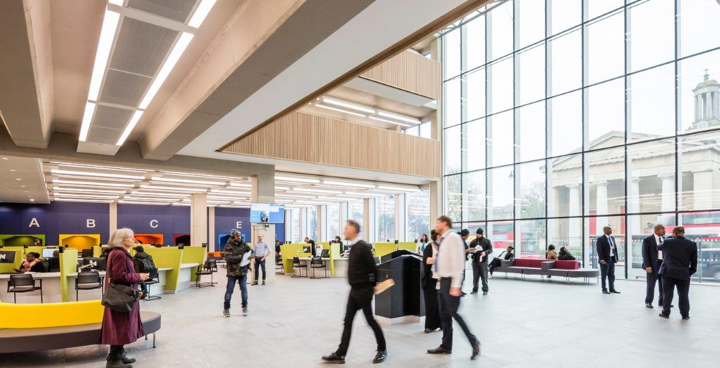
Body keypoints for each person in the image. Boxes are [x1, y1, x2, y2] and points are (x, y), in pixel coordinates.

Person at [322, 220, 387, 364]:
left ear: (353, 231)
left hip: (364, 291)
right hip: (354, 291)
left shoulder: (363, 246)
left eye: (346, 229)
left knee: (370, 320)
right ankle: (340, 354)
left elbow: (373, 267)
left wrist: (374, 285)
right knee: (348, 322)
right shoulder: (353, 247)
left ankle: (382, 349)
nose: (344, 231)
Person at [427, 216, 480, 360]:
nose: (436, 224)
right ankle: (446, 345)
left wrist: (456, 285)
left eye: (438, 222)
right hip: (443, 281)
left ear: (444, 223)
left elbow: (458, 262)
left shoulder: (453, 238)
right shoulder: (443, 240)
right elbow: (442, 261)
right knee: (444, 315)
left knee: (454, 314)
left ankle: (474, 342)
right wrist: (439, 280)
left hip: (451, 282)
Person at [100, 228, 149, 368]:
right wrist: (139, 276)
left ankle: (118, 354)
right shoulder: (120, 254)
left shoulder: (117, 253)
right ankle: (114, 361)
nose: (134, 239)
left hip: (120, 295)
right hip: (122, 297)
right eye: (131, 237)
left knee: (120, 326)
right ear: (121, 240)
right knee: (120, 325)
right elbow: (120, 276)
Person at [658, 227, 697, 320]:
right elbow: (694, 261)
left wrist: (669, 238)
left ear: (674, 233)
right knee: (683, 295)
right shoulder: (692, 244)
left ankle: (666, 313)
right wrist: (690, 272)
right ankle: (685, 314)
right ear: (683, 233)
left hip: (668, 272)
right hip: (683, 273)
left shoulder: (668, 242)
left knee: (667, 294)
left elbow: (659, 247)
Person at [224, 229, 254, 317]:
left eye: (240, 235)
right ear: (233, 236)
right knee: (229, 291)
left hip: (243, 272)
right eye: (237, 235)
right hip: (232, 273)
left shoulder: (243, 244)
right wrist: (242, 256)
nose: (239, 237)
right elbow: (228, 258)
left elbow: (252, 252)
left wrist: (249, 257)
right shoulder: (228, 245)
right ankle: (226, 309)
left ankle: (245, 307)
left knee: (244, 290)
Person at [422, 230, 442, 333]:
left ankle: (440, 324)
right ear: (438, 236)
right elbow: (427, 260)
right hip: (430, 279)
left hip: (442, 279)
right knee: (430, 303)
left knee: (441, 303)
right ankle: (429, 326)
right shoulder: (429, 247)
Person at [642, 224, 666, 309]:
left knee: (663, 284)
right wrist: (647, 266)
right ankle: (648, 302)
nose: (664, 231)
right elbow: (645, 254)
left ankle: (662, 301)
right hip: (652, 265)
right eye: (662, 230)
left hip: (663, 264)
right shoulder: (647, 240)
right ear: (656, 231)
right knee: (651, 284)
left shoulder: (664, 239)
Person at [596, 226, 620, 294]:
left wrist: (616, 257)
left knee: (611, 275)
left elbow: (614, 248)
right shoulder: (600, 239)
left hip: (612, 259)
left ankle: (612, 288)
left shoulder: (612, 238)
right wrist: (601, 259)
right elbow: (599, 250)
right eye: (610, 229)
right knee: (604, 275)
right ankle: (604, 289)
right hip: (605, 260)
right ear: (605, 230)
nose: (611, 230)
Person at [468, 228, 492, 295]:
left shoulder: (487, 241)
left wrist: (485, 252)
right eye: (477, 234)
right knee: (475, 277)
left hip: (483, 261)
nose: (478, 235)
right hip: (475, 261)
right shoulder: (473, 241)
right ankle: (475, 289)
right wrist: (472, 251)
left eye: (479, 234)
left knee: (484, 276)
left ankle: (485, 290)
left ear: (482, 234)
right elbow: (470, 250)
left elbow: (490, 249)